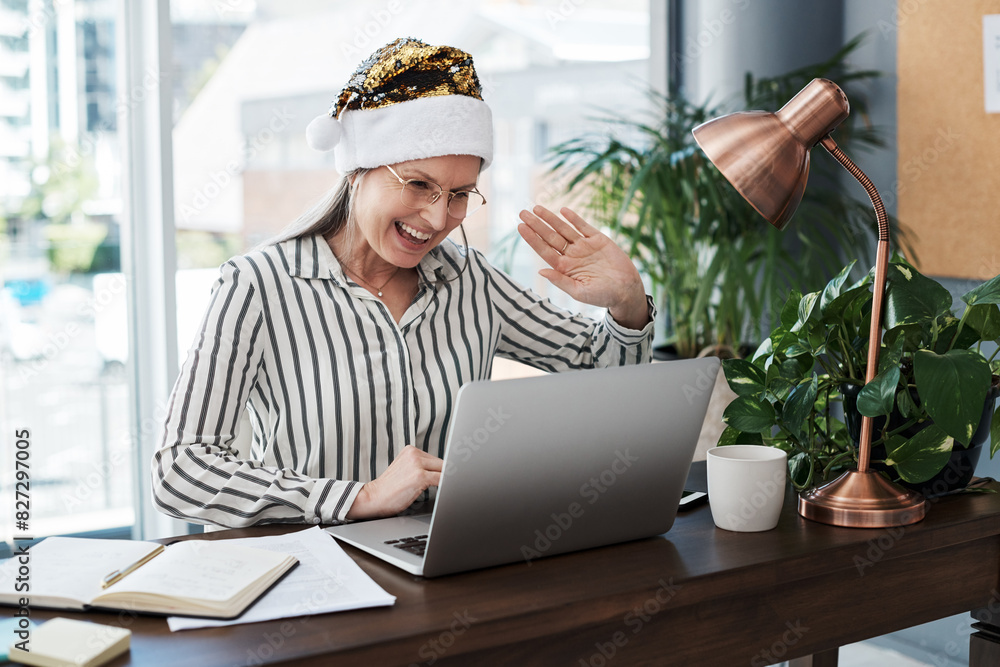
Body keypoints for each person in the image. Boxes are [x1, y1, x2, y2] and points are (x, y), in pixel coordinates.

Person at [151, 37, 654, 528]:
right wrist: (357, 498)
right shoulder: (257, 285)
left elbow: (605, 373)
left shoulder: (471, 280)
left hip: (445, 561)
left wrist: (627, 302)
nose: (438, 218)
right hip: (320, 573)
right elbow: (180, 469)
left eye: (459, 193)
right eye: (418, 184)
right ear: (357, 169)